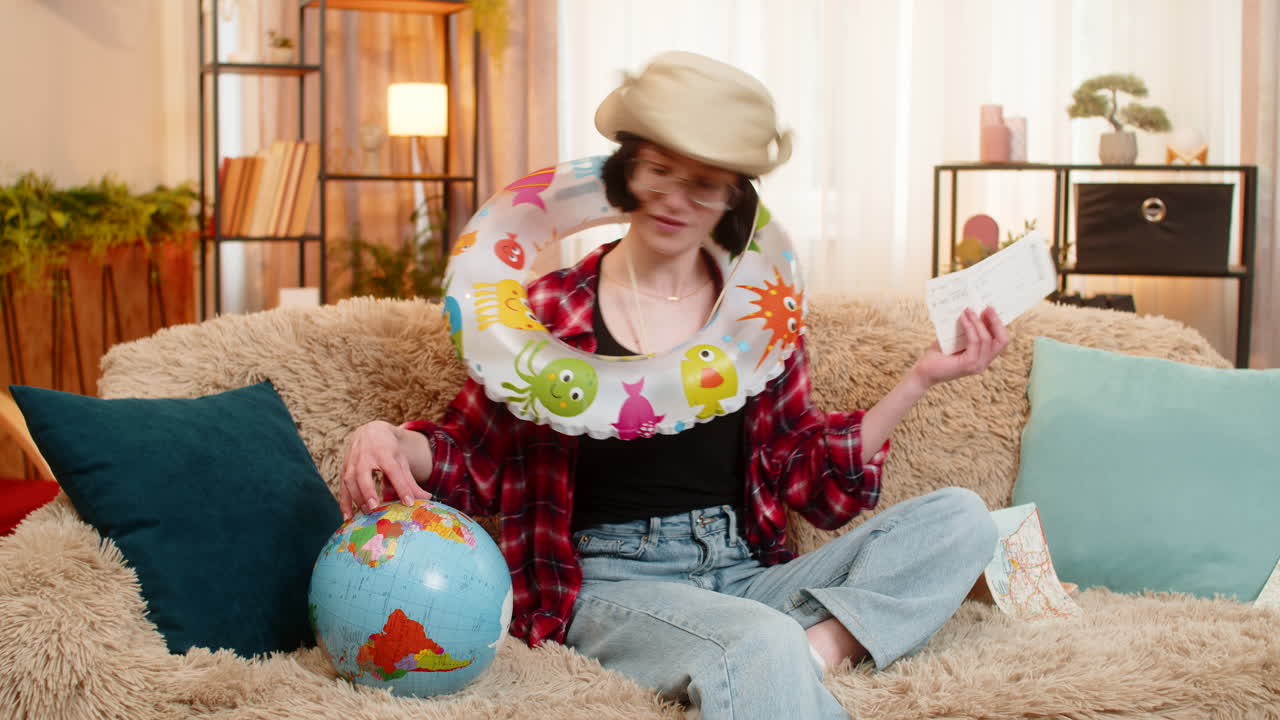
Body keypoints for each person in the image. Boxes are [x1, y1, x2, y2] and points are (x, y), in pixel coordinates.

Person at [339, 51, 1010, 720]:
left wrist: (920, 378)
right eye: (659, 170)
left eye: (704, 183)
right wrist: (387, 437)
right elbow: (473, 459)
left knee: (961, 519)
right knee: (758, 640)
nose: (675, 200)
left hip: (744, 567)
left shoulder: (756, 319)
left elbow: (807, 475)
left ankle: (820, 647)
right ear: (627, 171)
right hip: (614, 581)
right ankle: (771, 656)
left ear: (732, 197)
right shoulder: (547, 311)